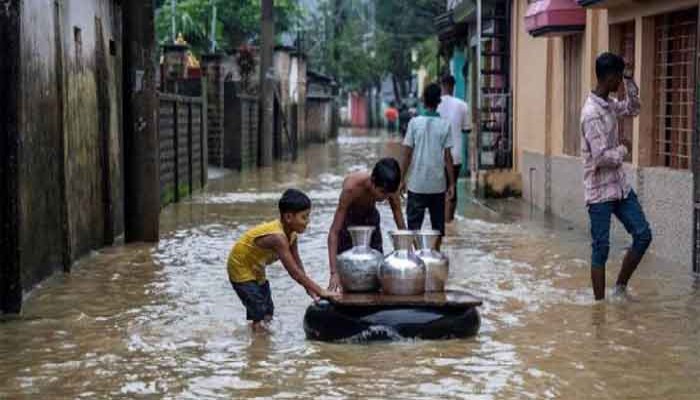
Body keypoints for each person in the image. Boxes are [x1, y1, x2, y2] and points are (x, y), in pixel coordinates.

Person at [581, 52, 652, 301]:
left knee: (643, 235)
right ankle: (599, 309)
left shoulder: (609, 105)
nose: (620, 82)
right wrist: (624, 148)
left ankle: (620, 288)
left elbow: (634, 108)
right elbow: (600, 157)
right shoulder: (591, 113)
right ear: (609, 77)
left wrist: (631, 79)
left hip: (619, 187)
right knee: (601, 248)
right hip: (599, 191)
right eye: (620, 77)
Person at [227, 189, 338, 332]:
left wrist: (310, 290)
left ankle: (258, 336)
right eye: (304, 217)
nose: (307, 222)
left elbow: (298, 266)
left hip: (257, 267)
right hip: (239, 266)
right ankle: (257, 347)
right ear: (288, 217)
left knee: (268, 310)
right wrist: (321, 291)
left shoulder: (292, 236)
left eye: (308, 217)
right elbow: (294, 273)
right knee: (258, 310)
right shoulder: (278, 238)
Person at [327, 158, 406, 292]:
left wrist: (410, 253)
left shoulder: (391, 189)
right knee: (346, 270)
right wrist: (334, 273)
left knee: (377, 271)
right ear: (372, 181)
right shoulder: (352, 188)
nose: (384, 198)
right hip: (349, 223)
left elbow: (401, 224)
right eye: (382, 192)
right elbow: (334, 232)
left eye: (388, 194)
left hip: (371, 220)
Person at [400, 83, 456, 250]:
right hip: (437, 185)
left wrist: (402, 179)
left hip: (416, 184)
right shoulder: (445, 125)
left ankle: (418, 255)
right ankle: (434, 254)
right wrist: (451, 183)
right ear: (439, 101)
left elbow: (407, 154)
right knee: (438, 227)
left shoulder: (414, 123)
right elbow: (448, 158)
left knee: (413, 227)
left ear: (423, 100)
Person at [437, 75, 471, 223]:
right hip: (455, 155)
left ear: (441, 85)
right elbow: (467, 129)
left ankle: (439, 220)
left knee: (438, 190)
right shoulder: (462, 105)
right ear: (453, 86)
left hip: (436, 156)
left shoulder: (435, 105)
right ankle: (449, 221)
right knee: (452, 187)